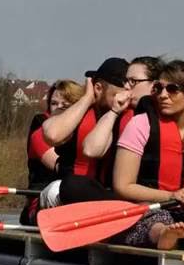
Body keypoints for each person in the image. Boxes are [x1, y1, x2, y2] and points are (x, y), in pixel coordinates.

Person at [113, 60, 184, 250]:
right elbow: (122, 185)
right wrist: (171, 195)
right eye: (158, 88)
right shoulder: (140, 125)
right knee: (158, 219)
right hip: (149, 206)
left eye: (172, 89)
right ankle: (163, 235)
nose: (163, 95)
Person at [41, 57, 130, 204]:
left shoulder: (133, 116)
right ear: (98, 88)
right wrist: (88, 98)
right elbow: (52, 135)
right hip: (68, 191)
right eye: (121, 92)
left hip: (104, 195)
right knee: (56, 190)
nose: (127, 96)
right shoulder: (74, 111)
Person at [20, 79, 84, 223]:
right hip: (40, 201)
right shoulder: (40, 130)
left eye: (65, 105)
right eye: (54, 103)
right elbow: (59, 167)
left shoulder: (82, 130)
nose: (58, 108)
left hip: (72, 197)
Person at [80, 57, 154, 161]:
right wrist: (114, 112)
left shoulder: (166, 116)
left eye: (133, 81)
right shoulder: (120, 112)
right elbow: (90, 150)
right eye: (126, 81)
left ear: (154, 85)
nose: (126, 86)